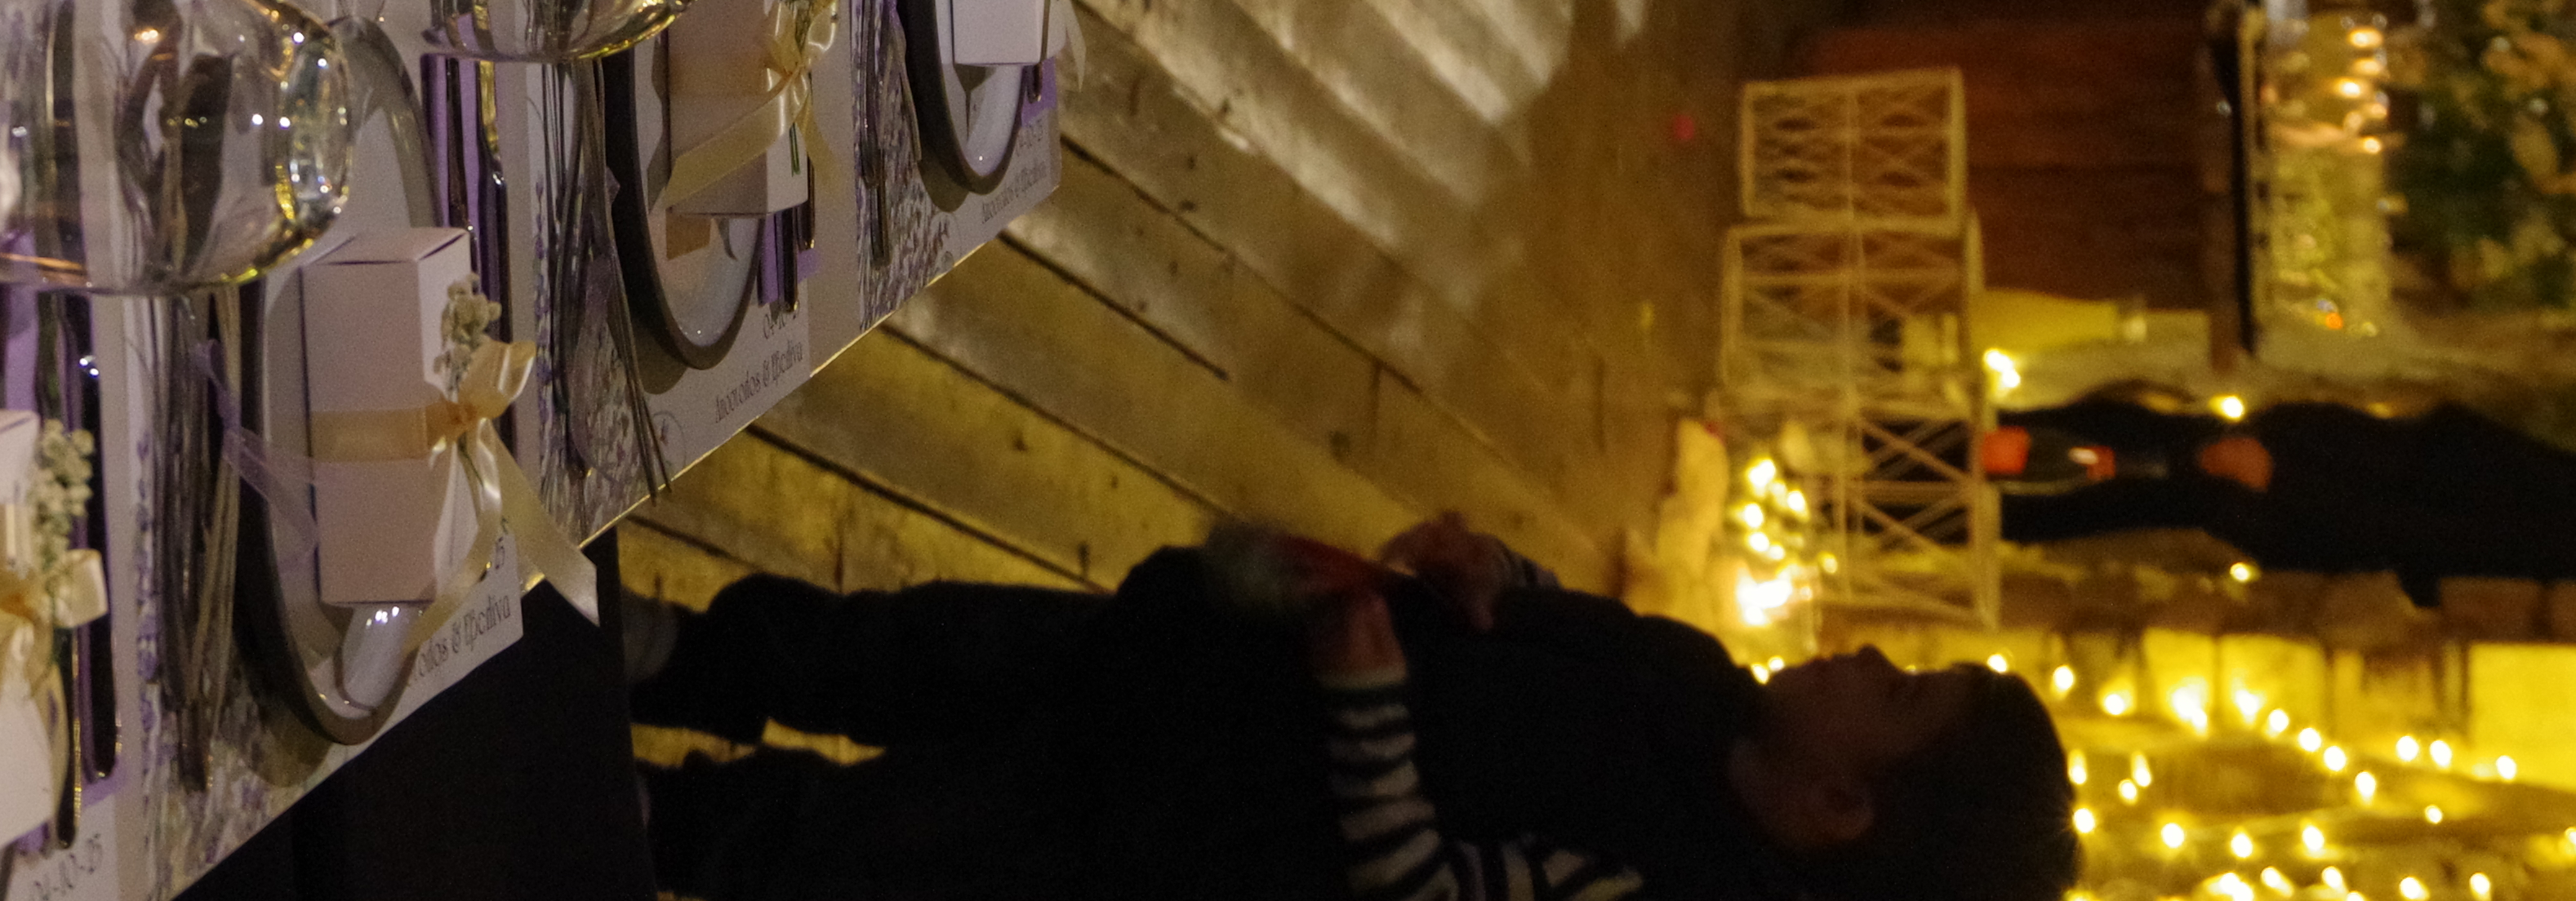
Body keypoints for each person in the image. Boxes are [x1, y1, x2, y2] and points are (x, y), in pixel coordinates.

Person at [630, 513, 2080, 901]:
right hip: (1195, 664)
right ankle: (677, 655)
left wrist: (1375, 708)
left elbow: (1421, 884)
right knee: (917, 651)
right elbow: (1576, 635)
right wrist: (1493, 574)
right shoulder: (1712, 689)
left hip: (1176, 826)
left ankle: (651, 820)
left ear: (1844, 807)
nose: (1863, 655)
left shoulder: (1661, 878)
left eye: (1895, 692)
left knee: (885, 838)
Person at [1993, 397, 2576, 599]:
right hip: (2285, 460)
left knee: (2081, 470)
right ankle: (1912, 456)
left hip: (2282, 496)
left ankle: (1906, 482)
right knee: (2096, 435)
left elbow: (2429, 535)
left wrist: (2279, 479)